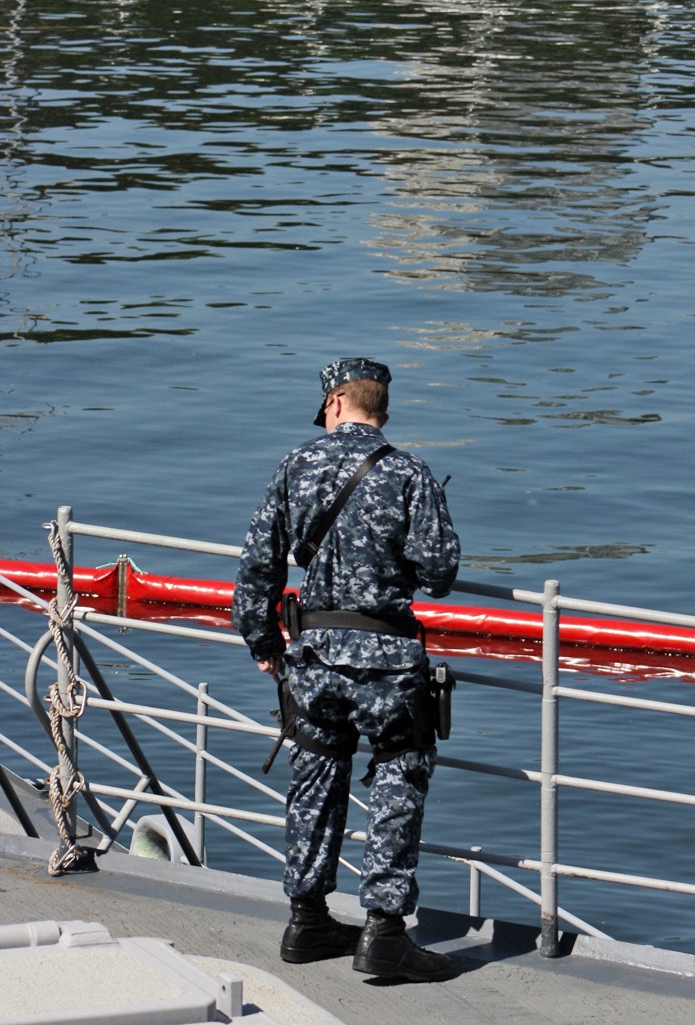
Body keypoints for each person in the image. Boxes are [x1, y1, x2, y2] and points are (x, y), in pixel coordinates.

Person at [232, 358, 461, 981]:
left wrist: (263, 642)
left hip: (313, 658)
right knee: (397, 777)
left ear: (334, 403)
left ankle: (307, 919)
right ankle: (385, 930)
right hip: (387, 660)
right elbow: (440, 574)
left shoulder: (295, 465)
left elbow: (257, 567)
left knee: (315, 777)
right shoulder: (409, 472)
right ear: (380, 407)